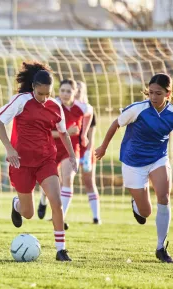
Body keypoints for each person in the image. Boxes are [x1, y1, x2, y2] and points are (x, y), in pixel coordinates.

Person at [95, 73, 173, 263]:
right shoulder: (138, 109)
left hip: (158, 159)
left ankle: (161, 247)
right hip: (132, 162)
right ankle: (137, 204)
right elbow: (115, 124)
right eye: (151, 92)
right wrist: (103, 147)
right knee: (145, 212)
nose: (153, 97)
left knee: (164, 196)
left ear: (168, 94)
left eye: (158, 93)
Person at [0, 61, 77, 261]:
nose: (44, 98)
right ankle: (16, 206)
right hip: (21, 162)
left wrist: (72, 155)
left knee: (56, 202)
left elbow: (64, 133)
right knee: (28, 213)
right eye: (40, 93)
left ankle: (61, 250)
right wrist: (9, 148)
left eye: (47, 94)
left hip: (46, 160)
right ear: (33, 88)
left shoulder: (55, 106)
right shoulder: (21, 101)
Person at [37, 79, 93, 231]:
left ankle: (61, 216)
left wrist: (84, 134)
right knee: (48, 182)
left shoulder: (82, 107)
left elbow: (90, 112)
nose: (65, 94)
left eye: (69, 91)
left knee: (68, 179)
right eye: (62, 90)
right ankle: (43, 200)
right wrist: (66, 132)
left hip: (70, 148)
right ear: (58, 91)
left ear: (75, 93)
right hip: (51, 148)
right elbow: (45, 132)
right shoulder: (51, 105)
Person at [76, 81, 101, 224]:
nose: (77, 92)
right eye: (76, 89)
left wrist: (87, 153)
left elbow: (91, 137)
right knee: (62, 181)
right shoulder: (66, 109)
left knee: (89, 182)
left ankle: (96, 216)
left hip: (85, 151)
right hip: (70, 150)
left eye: (80, 90)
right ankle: (59, 213)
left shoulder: (89, 110)